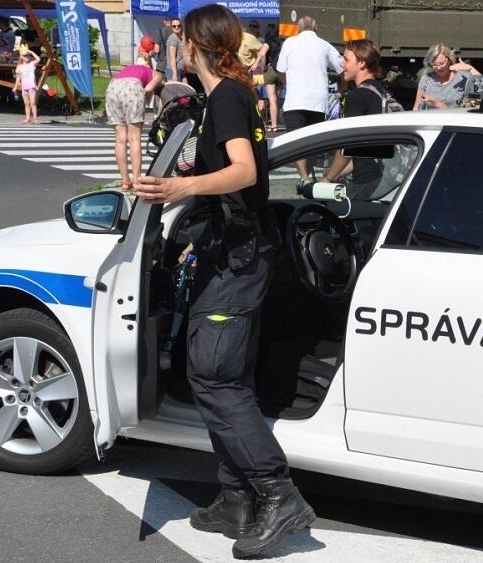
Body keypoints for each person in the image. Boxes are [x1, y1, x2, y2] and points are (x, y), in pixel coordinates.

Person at [133, 5, 315, 559]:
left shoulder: (228, 98)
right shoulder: (229, 96)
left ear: (192, 45)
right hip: (231, 253)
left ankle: (278, 495)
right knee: (226, 376)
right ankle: (236, 499)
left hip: (238, 262)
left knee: (214, 378)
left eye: (180, 42)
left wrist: (181, 188)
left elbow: (244, 171)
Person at [276, 15, 343, 178]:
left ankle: (304, 178)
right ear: (316, 28)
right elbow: (341, 67)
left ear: (298, 29)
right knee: (312, 142)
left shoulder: (289, 43)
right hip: (317, 102)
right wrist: (343, 89)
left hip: (295, 99)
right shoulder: (325, 45)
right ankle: (309, 175)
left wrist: (287, 84)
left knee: (296, 141)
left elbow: (280, 70)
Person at [319, 39, 387, 199]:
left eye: (346, 59)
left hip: (366, 182)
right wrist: (335, 174)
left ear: (362, 63)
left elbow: (348, 147)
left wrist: (328, 178)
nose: (341, 63)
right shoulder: (379, 90)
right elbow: (363, 152)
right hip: (381, 176)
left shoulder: (358, 96)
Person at [106, 49, 156, 189]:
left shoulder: (128, 68)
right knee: (134, 138)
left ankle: (125, 181)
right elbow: (149, 89)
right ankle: (137, 179)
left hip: (112, 87)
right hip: (132, 88)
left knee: (120, 139)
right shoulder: (152, 72)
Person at [413, 43, 471, 110]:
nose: (439, 67)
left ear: (449, 60)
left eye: (442, 63)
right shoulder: (426, 79)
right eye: (434, 65)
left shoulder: (463, 78)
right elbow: (416, 107)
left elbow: (472, 107)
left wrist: (437, 103)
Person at [261, 25, 282, 131]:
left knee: (272, 99)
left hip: (271, 71)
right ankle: (276, 123)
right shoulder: (281, 42)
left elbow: (262, 54)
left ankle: (274, 125)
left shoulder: (267, 43)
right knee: (276, 99)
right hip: (281, 71)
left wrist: (264, 66)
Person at [13, 47, 40, 124]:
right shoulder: (19, 67)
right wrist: (15, 86)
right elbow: (18, 78)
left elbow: (38, 59)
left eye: (28, 56)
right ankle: (28, 118)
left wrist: (31, 52)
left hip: (31, 86)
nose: (27, 57)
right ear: (21, 57)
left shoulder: (32, 64)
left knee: (33, 103)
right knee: (26, 104)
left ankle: (35, 118)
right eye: (25, 56)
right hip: (24, 86)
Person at [0, 17, 16, 104]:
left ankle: (10, 98)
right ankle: (2, 98)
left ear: (3, 23)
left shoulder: (9, 34)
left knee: (7, 79)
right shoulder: (2, 33)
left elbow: (0, 43)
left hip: (6, 60)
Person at [167, 18, 185, 83]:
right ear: (171, 27)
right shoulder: (173, 38)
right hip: (174, 70)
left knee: (185, 88)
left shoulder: (179, 38)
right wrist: (174, 74)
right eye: (174, 26)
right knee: (176, 89)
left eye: (178, 26)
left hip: (180, 69)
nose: (176, 27)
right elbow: (172, 57)